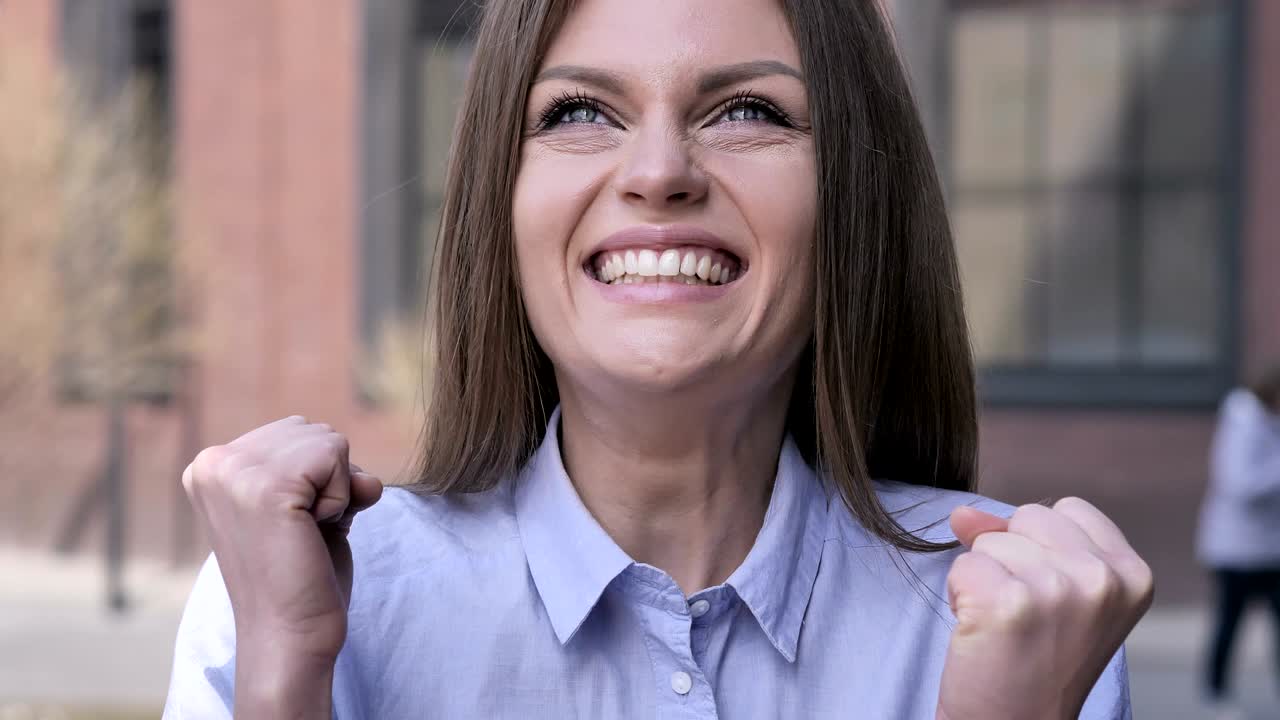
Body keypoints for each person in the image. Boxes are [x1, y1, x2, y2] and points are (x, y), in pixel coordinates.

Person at [163, 1, 1154, 718]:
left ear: (852, 196)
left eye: (747, 112)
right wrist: (286, 682)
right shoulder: (296, 602)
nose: (657, 173)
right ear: (496, 209)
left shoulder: (1020, 614)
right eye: (576, 113)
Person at [1198, 366, 1280, 717]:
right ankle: (1216, 694)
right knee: (1230, 622)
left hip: (1273, 548)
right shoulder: (1243, 421)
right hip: (1236, 549)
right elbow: (1239, 485)